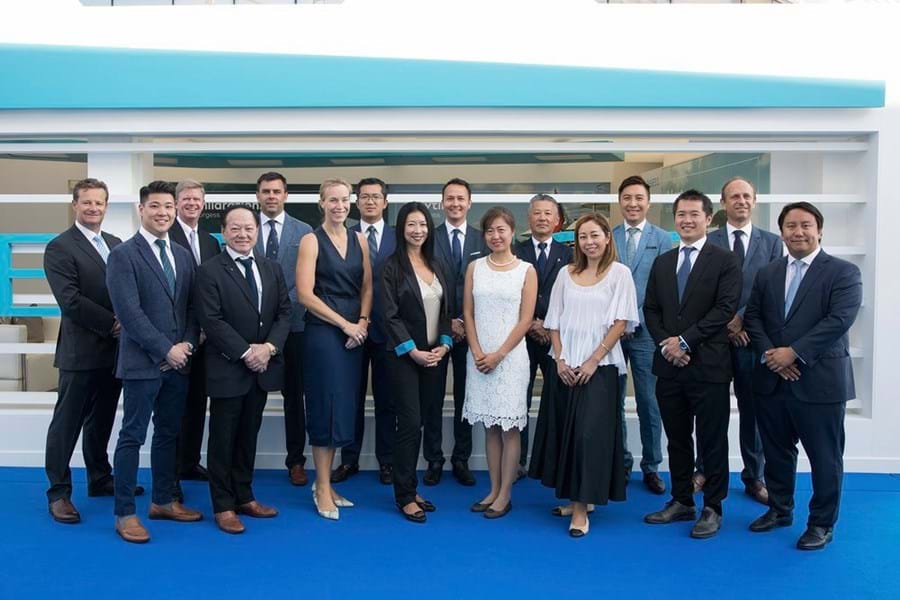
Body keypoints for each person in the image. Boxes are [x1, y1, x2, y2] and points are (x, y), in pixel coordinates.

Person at [744, 202, 862, 551]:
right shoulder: (768, 273)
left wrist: (792, 353)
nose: (798, 232)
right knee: (777, 452)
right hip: (772, 379)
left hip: (819, 381)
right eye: (790, 226)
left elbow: (838, 321)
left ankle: (821, 523)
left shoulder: (843, 272)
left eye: (806, 225)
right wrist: (772, 355)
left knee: (825, 457)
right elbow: (753, 319)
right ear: (781, 233)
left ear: (819, 230)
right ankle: (780, 510)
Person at [530, 213, 638, 537]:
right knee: (566, 432)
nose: (589, 242)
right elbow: (554, 322)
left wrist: (592, 361)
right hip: (564, 366)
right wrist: (561, 360)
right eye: (583, 237)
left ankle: (580, 510)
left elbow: (620, 323)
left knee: (588, 437)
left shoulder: (620, 274)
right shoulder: (565, 273)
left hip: (600, 368)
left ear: (607, 237)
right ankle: (579, 497)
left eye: (595, 235)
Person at [106, 180, 202, 544]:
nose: (163, 213)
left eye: (168, 207)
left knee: (168, 433)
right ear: (141, 210)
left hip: (179, 362)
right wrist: (166, 349)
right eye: (155, 207)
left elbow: (191, 309)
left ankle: (163, 500)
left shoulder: (181, 254)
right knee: (133, 435)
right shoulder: (124, 255)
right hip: (142, 363)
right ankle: (125, 512)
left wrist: (187, 345)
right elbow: (130, 314)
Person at [642, 190, 741, 540]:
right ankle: (681, 500)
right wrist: (668, 344)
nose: (686, 220)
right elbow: (651, 309)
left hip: (709, 367)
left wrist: (685, 341)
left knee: (712, 440)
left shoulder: (724, 260)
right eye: (681, 214)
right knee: (678, 439)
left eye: (694, 214)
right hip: (669, 366)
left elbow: (724, 309)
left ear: (708, 219)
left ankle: (713, 506)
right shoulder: (664, 262)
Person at [43, 178, 141, 524]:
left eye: (99, 203)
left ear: (106, 206)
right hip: (81, 352)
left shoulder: (115, 244)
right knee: (66, 424)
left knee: (100, 420)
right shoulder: (60, 247)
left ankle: (100, 478)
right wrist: (116, 324)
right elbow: (70, 301)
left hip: (115, 353)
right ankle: (58, 493)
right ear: (75, 205)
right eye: (86, 202)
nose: (93, 208)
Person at [195, 205, 292, 534]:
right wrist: (245, 352)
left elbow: (283, 314)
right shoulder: (209, 271)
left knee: (248, 436)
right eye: (235, 229)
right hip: (228, 367)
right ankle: (223, 506)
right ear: (224, 232)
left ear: (257, 231)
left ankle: (245, 495)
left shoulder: (271, 268)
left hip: (262, 367)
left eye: (249, 229)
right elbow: (212, 320)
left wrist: (269, 348)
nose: (243, 234)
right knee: (223, 439)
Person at [693, 177, 783, 504]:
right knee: (709, 410)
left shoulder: (772, 243)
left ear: (754, 201)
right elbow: (699, 287)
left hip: (751, 339)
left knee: (753, 412)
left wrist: (741, 317)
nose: (741, 201)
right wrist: (726, 319)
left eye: (746, 196)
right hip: (713, 341)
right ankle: (703, 469)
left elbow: (772, 289)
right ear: (723, 201)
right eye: (734, 196)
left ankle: (754, 476)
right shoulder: (708, 239)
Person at [296, 178, 372, 520]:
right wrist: (346, 325)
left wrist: (364, 322)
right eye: (333, 200)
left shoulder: (360, 239)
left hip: (355, 333)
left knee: (343, 408)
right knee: (324, 406)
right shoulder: (311, 241)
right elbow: (305, 295)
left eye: (344, 200)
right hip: (325, 334)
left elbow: (368, 285)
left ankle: (327, 482)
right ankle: (322, 486)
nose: (339, 206)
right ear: (321, 203)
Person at [462, 207, 537, 519]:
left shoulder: (526, 270)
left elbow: (526, 319)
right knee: (489, 427)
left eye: (501, 230)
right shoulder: (474, 268)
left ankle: (506, 493)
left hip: (511, 358)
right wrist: (478, 350)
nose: (496, 236)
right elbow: (467, 312)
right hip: (479, 357)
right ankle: (492, 488)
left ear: (511, 232)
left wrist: (499, 354)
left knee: (509, 428)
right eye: (490, 231)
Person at [381, 202, 453, 523]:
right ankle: (404, 495)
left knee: (423, 420)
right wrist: (413, 351)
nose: (418, 230)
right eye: (411, 224)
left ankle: (411, 487)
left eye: (423, 224)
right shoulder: (391, 267)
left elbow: (448, 313)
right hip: (404, 358)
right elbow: (389, 315)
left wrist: (446, 345)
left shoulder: (438, 264)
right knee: (408, 423)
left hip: (435, 357)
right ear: (401, 228)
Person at [333, 177, 397, 485]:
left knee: (387, 399)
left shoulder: (399, 237)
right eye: (364, 197)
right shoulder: (343, 235)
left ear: (385, 202)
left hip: (389, 330)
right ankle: (349, 459)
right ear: (356, 203)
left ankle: (387, 461)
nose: (370, 202)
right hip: (351, 328)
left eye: (376, 197)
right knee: (350, 397)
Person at [612, 175, 672, 494]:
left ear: (648, 202)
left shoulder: (663, 239)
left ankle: (651, 465)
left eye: (638, 198)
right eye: (627, 198)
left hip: (648, 332)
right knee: (614, 400)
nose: (632, 203)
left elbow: (665, 286)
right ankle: (621, 462)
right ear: (619, 202)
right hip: (613, 332)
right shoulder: (609, 237)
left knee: (650, 401)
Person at [254, 172, 314, 487]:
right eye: (266, 192)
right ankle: (243, 458)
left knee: (295, 398)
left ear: (286, 195)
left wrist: (281, 312)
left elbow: (306, 282)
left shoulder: (304, 232)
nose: (271, 197)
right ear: (258, 196)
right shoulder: (245, 229)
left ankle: (296, 461)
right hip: (253, 330)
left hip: (295, 328)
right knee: (250, 398)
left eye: (277, 191)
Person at [431, 178, 487, 486]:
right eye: (449, 198)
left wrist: (466, 321)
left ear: (469, 203)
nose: (455, 203)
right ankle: (434, 459)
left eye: (460, 198)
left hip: (473, 331)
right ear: (442, 203)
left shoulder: (483, 239)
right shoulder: (429, 237)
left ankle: (461, 459)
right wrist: (447, 321)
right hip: (435, 328)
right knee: (433, 397)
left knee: (467, 397)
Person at [513, 194, 572, 480]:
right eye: (537, 213)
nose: (543, 218)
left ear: (557, 220)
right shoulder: (515, 251)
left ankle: (552, 461)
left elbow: (572, 296)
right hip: (520, 339)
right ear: (529, 218)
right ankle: (518, 462)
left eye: (548, 213)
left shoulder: (570, 254)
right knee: (517, 400)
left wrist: (547, 326)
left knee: (555, 400)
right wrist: (530, 324)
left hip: (554, 338)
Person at [169, 179, 221, 484]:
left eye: (197, 199)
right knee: (174, 405)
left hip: (206, 336)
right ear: (177, 203)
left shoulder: (210, 240)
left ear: (204, 204)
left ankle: (190, 461)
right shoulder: (166, 234)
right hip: (176, 336)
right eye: (186, 199)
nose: (192, 204)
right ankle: (172, 470)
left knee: (198, 402)